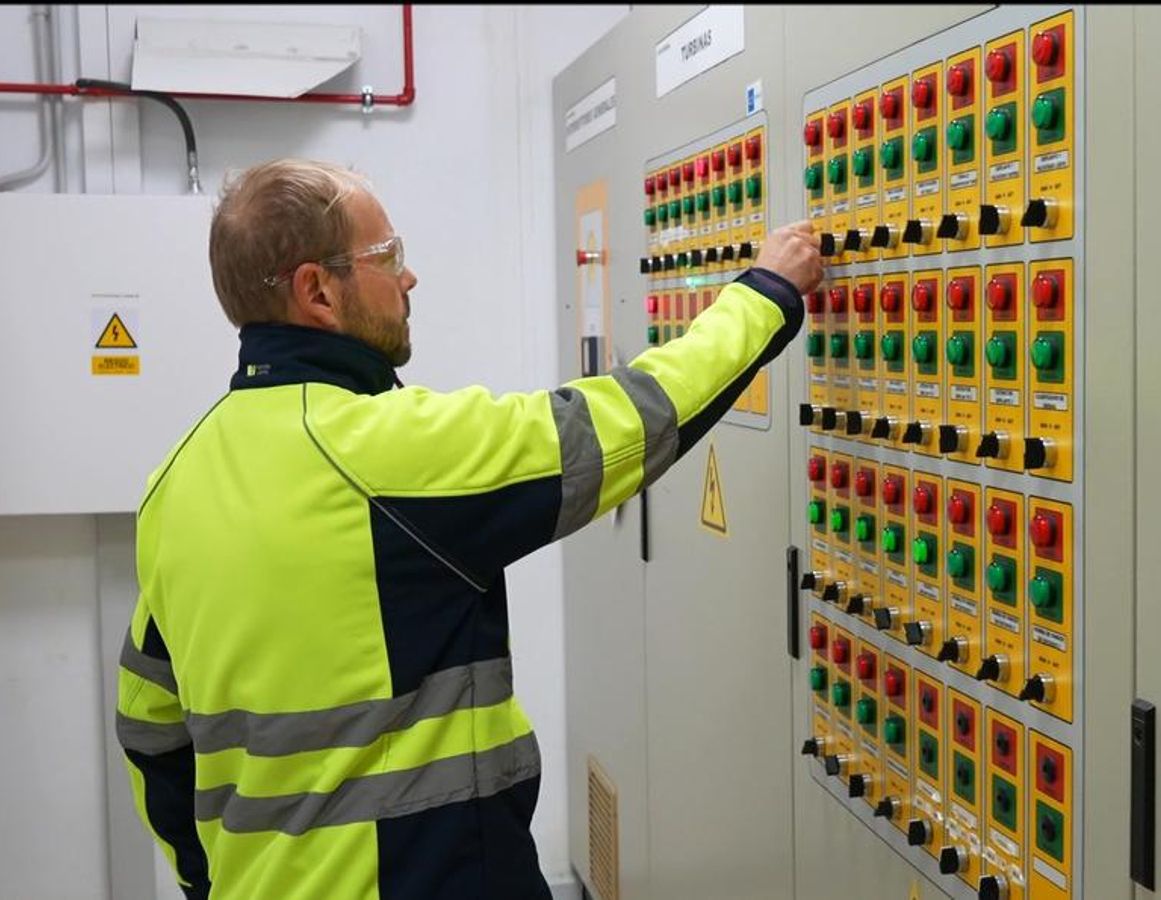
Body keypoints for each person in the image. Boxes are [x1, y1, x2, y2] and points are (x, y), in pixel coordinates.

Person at [114, 158, 823, 899]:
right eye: (387, 255)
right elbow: (628, 421)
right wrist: (766, 293)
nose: (409, 277)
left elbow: (149, 728)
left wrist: (209, 880)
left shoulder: (177, 481)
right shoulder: (384, 452)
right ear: (317, 291)